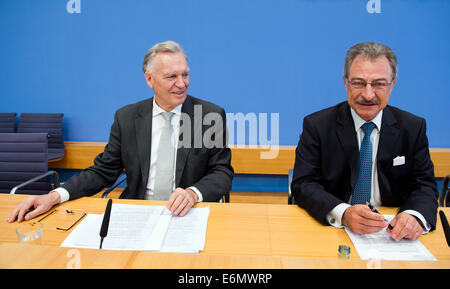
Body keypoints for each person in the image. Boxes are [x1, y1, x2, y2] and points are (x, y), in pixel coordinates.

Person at [8, 40, 234, 222]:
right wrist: (55, 195)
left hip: (190, 215)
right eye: (171, 76)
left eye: (185, 74)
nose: (182, 83)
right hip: (138, 213)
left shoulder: (208, 115)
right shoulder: (126, 118)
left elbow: (221, 172)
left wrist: (193, 193)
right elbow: (103, 171)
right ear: (149, 79)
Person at [291, 41, 438, 241]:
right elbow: (304, 183)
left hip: (392, 234)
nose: (368, 95)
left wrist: (414, 216)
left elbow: (424, 185)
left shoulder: (412, 128)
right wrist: (343, 213)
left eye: (378, 84)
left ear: (393, 83)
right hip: (333, 230)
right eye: (358, 83)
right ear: (345, 82)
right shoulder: (318, 125)